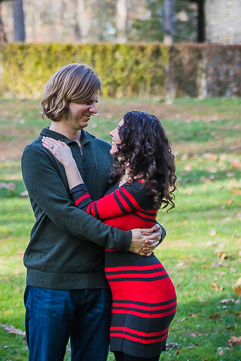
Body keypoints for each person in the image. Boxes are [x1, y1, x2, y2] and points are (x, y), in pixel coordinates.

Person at [20, 63, 165, 361]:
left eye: (96, 101)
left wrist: (154, 230)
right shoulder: (37, 154)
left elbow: (124, 202)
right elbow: (67, 215)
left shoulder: (105, 150)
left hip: (101, 285)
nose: (95, 109)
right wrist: (126, 241)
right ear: (64, 99)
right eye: (88, 101)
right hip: (52, 284)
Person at [41, 110, 178, 361]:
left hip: (145, 294)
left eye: (118, 129)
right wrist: (157, 230)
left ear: (133, 138)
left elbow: (88, 210)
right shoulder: (126, 178)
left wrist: (69, 163)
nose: (112, 133)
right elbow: (135, 221)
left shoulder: (141, 186)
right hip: (125, 295)